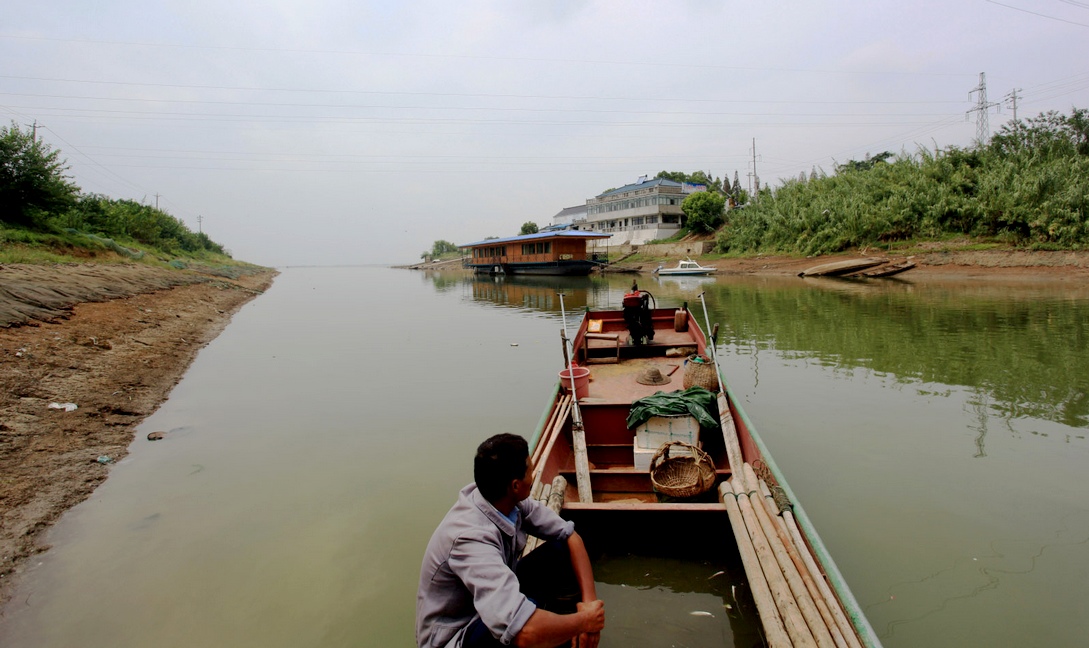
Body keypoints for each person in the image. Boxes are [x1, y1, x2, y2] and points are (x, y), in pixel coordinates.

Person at [417, 434, 605, 648]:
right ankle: (558, 631)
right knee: (522, 631)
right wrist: (584, 622)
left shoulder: (503, 499)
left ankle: (562, 631)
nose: (533, 475)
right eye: (530, 471)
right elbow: (524, 633)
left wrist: (589, 604)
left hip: (489, 603)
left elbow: (570, 536)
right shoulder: (470, 539)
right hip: (461, 635)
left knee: (561, 550)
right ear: (515, 485)